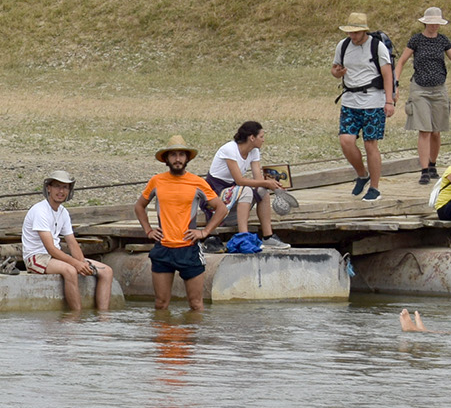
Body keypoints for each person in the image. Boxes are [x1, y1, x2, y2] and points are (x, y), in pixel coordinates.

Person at [136, 136, 228, 311]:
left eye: (181, 155)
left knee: (196, 304)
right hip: (163, 248)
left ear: (187, 158)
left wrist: (204, 232)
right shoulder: (156, 181)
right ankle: (163, 330)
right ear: (166, 159)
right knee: (161, 304)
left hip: (189, 248)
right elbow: (139, 206)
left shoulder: (197, 182)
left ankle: (193, 330)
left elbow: (221, 208)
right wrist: (148, 230)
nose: (177, 159)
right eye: (173, 155)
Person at [398, 8, 451, 184]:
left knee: (436, 131)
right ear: (425, 23)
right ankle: (424, 170)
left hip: (439, 89)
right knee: (424, 129)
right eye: (431, 23)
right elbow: (402, 61)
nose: (434, 26)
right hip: (420, 88)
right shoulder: (416, 39)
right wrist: (395, 82)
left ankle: (432, 164)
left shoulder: (443, 40)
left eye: (437, 23)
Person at [21, 171, 114, 311]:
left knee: (107, 271)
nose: (61, 191)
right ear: (48, 188)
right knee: (70, 270)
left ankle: (103, 317)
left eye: (65, 187)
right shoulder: (40, 210)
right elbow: (50, 248)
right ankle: (76, 315)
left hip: (54, 257)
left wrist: (82, 263)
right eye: (57, 186)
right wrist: (76, 264)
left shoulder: (63, 212)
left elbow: (72, 242)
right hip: (36, 257)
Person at [331, 11, 394, 204]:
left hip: (373, 101)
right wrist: (338, 72)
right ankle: (362, 174)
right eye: (350, 32)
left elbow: (387, 74)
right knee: (346, 141)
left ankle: (374, 187)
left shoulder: (377, 47)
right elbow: (334, 69)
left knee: (370, 144)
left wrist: (389, 101)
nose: (353, 36)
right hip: (350, 100)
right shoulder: (343, 45)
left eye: (356, 32)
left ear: (364, 31)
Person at [207, 122, 290, 248]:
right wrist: (266, 182)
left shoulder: (254, 151)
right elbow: (239, 180)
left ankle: (268, 236)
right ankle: (243, 236)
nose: (263, 140)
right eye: (261, 137)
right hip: (216, 192)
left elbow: (258, 179)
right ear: (252, 138)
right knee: (246, 190)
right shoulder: (229, 149)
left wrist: (274, 185)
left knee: (262, 191)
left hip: (233, 189)